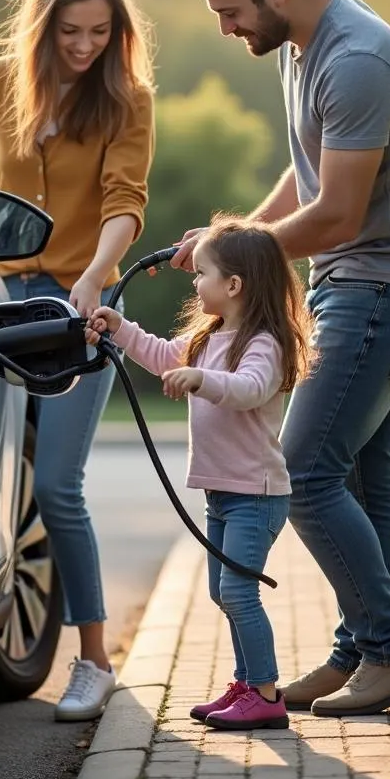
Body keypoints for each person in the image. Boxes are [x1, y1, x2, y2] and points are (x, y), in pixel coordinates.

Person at [171, 0, 390, 717]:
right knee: (362, 475)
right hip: (356, 287)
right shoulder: (303, 46)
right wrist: (235, 235)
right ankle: (365, 655)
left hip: (379, 291)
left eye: (231, 11)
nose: (226, 28)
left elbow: (339, 213)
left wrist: (240, 260)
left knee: (306, 471)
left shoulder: (355, 60)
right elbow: (311, 168)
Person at [0, 0, 155, 722]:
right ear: (45, 23)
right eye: (71, 30)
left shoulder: (128, 97)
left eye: (100, 32)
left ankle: (94, 662)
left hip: (78, 307)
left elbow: (124, 196)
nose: (84, 46)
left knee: (58, 484)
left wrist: (97, 273)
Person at [86, 217, 315, 731]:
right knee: (221, 590)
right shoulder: (208, 336)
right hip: (224, 494)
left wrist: (201, 378)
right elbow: (163, 356)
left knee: (237, 592)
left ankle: (266, 693)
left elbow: (250, 388)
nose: (195, 281)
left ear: (234, 285)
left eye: (203, 272)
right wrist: (121, 330)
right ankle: (247, 683)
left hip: (256, 496)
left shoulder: (264, 344)